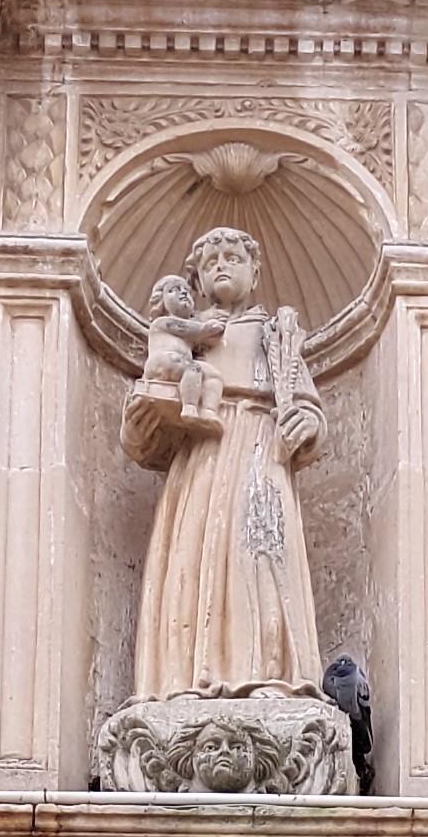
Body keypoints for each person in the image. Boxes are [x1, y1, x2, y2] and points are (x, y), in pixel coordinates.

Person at [122, 222, 324, 701]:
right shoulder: (188, 339)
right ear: (195, 281)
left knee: (260, 555)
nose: (221, 268)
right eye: (211, 263)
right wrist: (144, 417)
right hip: (203, 454)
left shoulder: (274, 335)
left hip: (260, 443)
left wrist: (309, 424)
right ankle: (185, 681)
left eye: (233, 259)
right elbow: (147, 423)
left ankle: (269, 674)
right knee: (193, 555)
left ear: (255, 274)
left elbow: (306, 401)